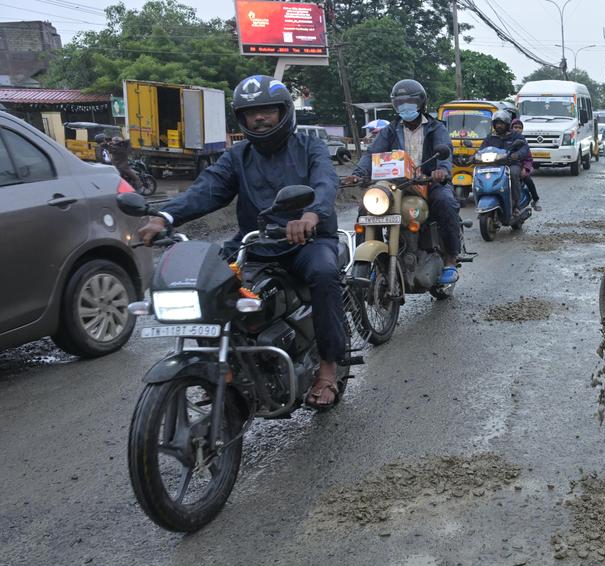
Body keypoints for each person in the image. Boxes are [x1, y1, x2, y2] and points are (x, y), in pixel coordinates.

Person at [137, 75, 344, 409]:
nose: (259, 118)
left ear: (283, 112)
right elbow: (208, 188)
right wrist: (165, 217)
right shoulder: (238, 156)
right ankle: (219, 366)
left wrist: (312, 215)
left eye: (266, 110)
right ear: (242, 118)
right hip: (256, 242)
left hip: (308, 240)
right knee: (208, 281)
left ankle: (328, 369)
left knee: (324, 275)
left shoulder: (310, 146)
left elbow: (324, 181)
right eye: (251, 113)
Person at [344, 79, 463, 285]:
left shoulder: (436, 128)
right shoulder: (390, 130)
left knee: (445, 202)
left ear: (421, 103)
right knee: (367, 207)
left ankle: (451, 258)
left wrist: (441, 171)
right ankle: (373, 261)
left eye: (410, 101)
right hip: (396, 184)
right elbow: (373, 153)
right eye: (400, 102)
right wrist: (358, 173)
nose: (405, 106)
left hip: (428, 181)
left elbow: (444, 151)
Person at [509, 118, 540, 211]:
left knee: (527, 179)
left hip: (519, 166)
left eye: (520, 127)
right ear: (511, 128)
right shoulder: (505, 139)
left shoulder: (523, 142)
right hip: (504, 166)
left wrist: (525, 169)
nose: (517, 129)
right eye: (515, 127)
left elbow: (528, 158)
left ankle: (536, 199)